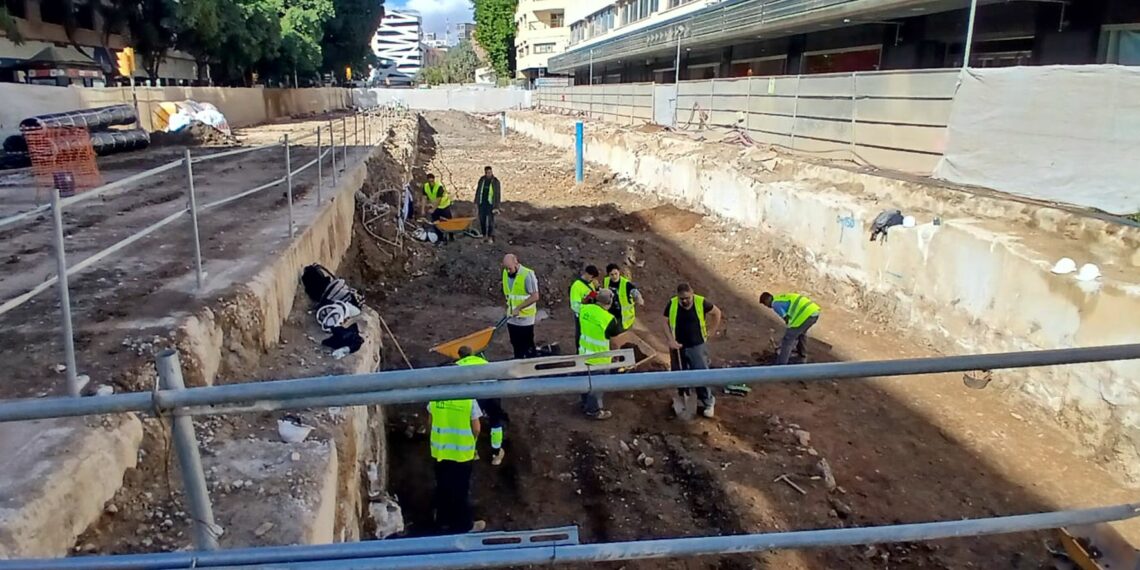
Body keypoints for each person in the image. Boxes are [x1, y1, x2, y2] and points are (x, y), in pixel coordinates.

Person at [427, 354, 486, 534]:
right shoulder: (468, 399)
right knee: (460, 491)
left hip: (440, 451)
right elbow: (476, 427)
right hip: (461, 454)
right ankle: (462, 525)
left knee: (443, 486)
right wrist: (472, 443)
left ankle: (442, 520)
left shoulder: (435, 397)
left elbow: (429, 423)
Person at [663, 283, 722, 418]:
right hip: (678, 346)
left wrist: (711, 331)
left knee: (700, 373)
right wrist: (670, 340)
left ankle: (708, 401)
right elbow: (663, 321)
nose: (684, 301)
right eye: (681, 299)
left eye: (687, 298)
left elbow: (717, 313)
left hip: (697, 345)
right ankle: (683, 396)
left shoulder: (701, 302)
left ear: (692, 294)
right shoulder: (672, 304)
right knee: (679, 373)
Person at [455, 346, 509, 466]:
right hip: (491, 392)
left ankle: (473, 452)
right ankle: (496, 454)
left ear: (459, 355)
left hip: (474, 395)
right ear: (473, 353)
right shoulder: (484, 361)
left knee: (471, 423)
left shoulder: (457, 365)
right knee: (495, 421)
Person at [578, 288, 622, 420]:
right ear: (609, 302)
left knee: (584, 381)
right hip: (599, 359)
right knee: (596, 387)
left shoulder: (585, 309)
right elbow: (614, 339)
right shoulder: (608, 319)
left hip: (583, 353)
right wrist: (617, 356)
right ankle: (594, 411)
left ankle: (584, 404)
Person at [759, 291, 820, 365]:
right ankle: (802, 356)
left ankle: (781, 365)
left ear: (766, 301)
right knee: (801, 333)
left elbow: (786, 318)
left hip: (805, 314)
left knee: (788, 339)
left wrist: (789, 329)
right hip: (814, 312)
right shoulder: (781, 297)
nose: (767, 307)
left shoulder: (775, 304)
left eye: (765, 304)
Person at [501, 253, 540, 359]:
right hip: (512, 317)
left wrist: (518, 308)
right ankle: (518, 360)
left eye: (510, 268)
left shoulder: (527, 275)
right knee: (515, 343)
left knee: (527, 344)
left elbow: (535, 296)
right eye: (506, 268)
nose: (508, 271)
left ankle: (530, 363)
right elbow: (510, 294)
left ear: (516, 263)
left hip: (525, 318)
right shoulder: (505, 273)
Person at [603, 263, 644, 331]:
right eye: (612, 274)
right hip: (610, 312)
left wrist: (639, 298)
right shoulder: (606, 281)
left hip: (623, 317)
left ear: (619, 272)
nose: (614, 276)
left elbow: (635, 292)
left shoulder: (626, 284)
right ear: (608, 274)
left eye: (616, 273)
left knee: (616, 331)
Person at [569, 265, 600, 351]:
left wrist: (597, 288)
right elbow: (575, 305)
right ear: (587, 274)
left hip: (591, 314)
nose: (592, 279)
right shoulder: (576, 286)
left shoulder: (591, 283)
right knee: (581, 334)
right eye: (591, 277)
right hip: (581, 315)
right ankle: (579, 351)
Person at [474, 166, 501, 244]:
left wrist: (496, 206)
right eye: (486, 172)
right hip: (482, 203)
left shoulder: (495, 182)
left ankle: (490, 236)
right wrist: (476, 202)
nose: (488, 174)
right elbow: (478, 191)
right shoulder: (482, 180)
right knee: (482, 220)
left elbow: (497, 195)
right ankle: (483, 235)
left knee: (490, 221)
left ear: (492, 172)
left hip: (491, 204)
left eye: (489, 172)